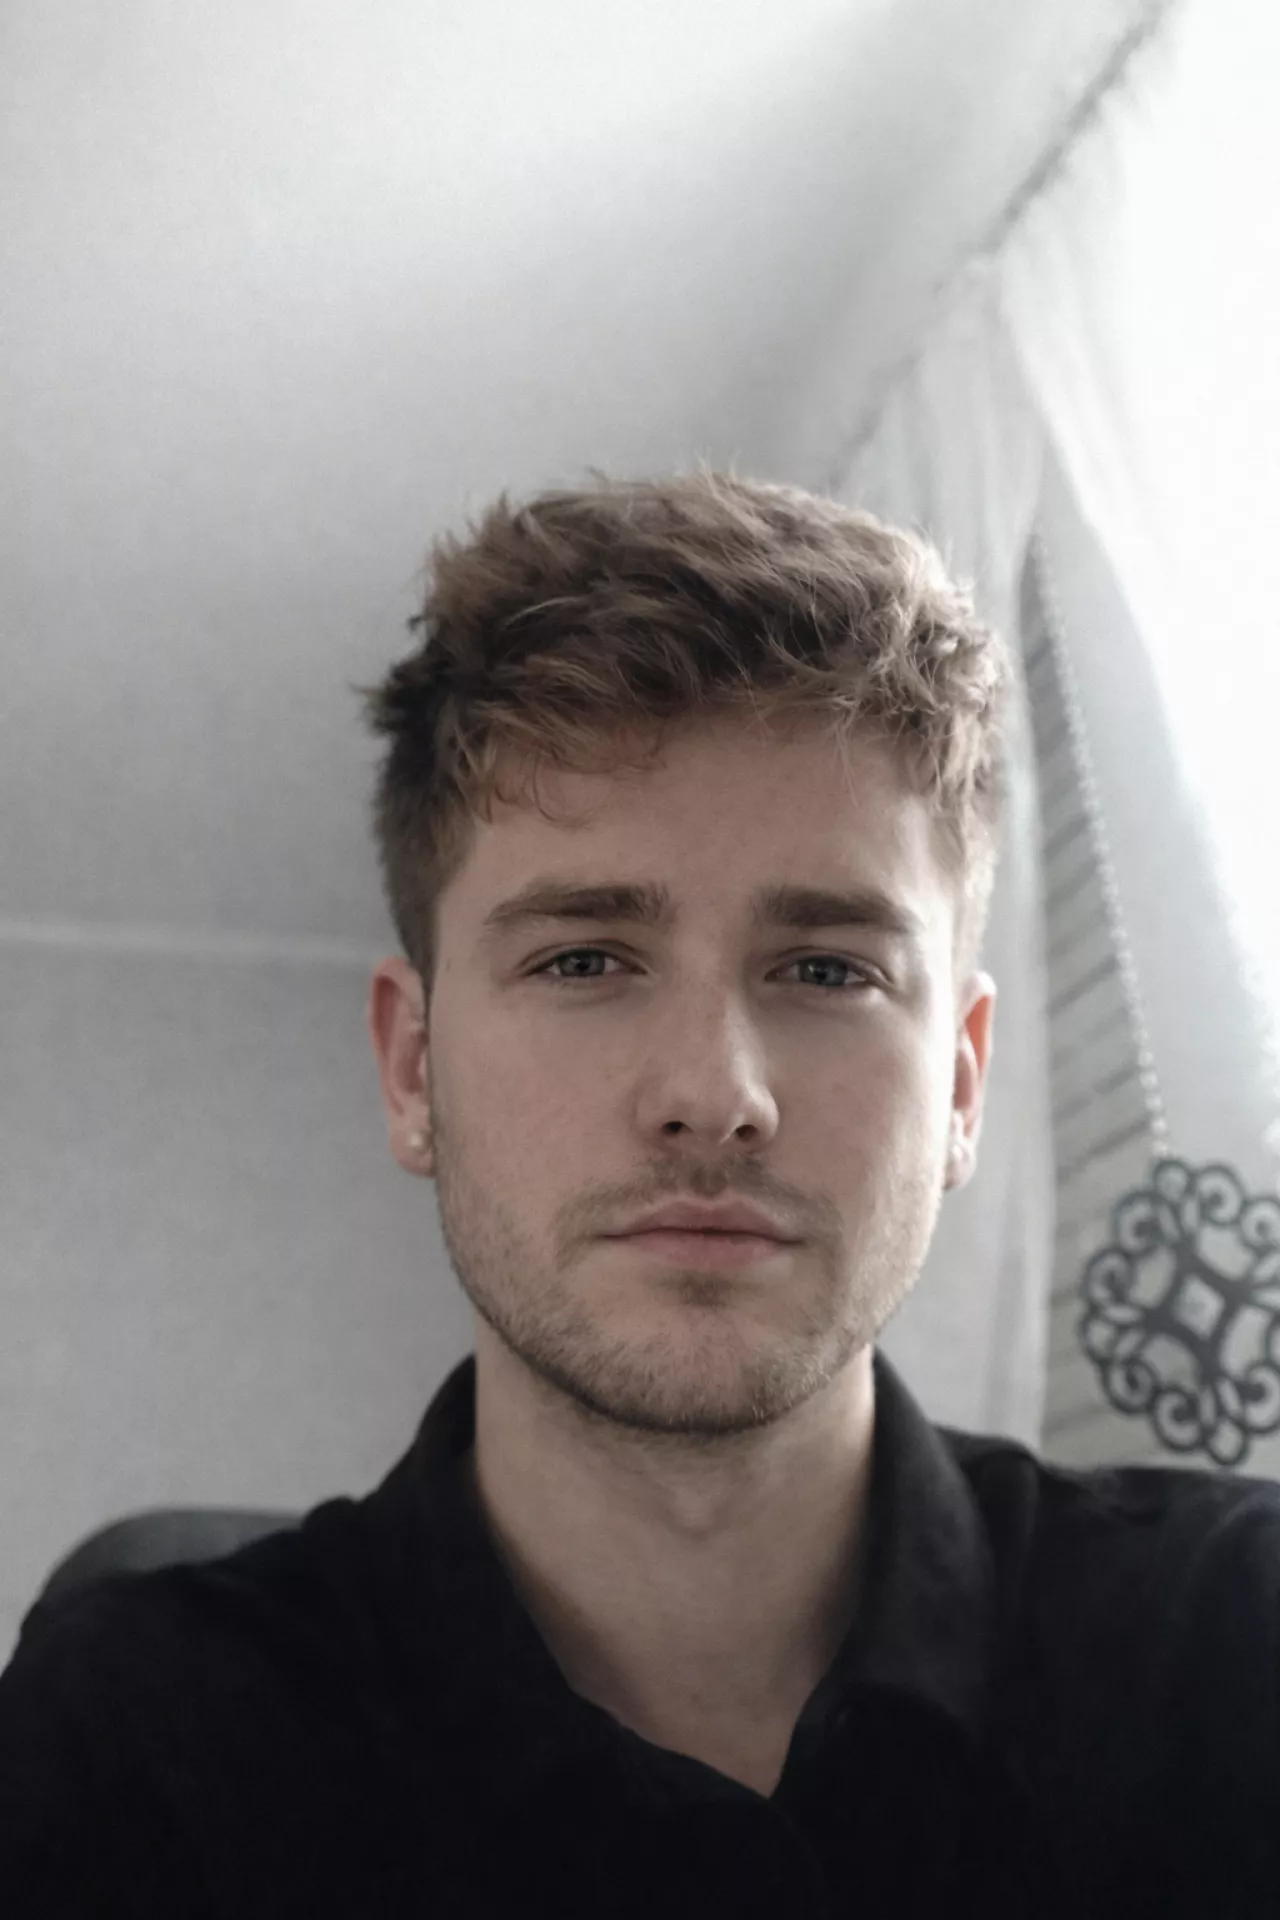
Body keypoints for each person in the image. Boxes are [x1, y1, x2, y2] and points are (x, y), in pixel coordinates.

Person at [2, 471, 1278, 1918]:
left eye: (828, 970)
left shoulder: (1238, 1643)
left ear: (963, 1086)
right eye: (584, 960)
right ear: (414, 1067)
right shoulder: (131, 1742)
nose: (714, 1093)